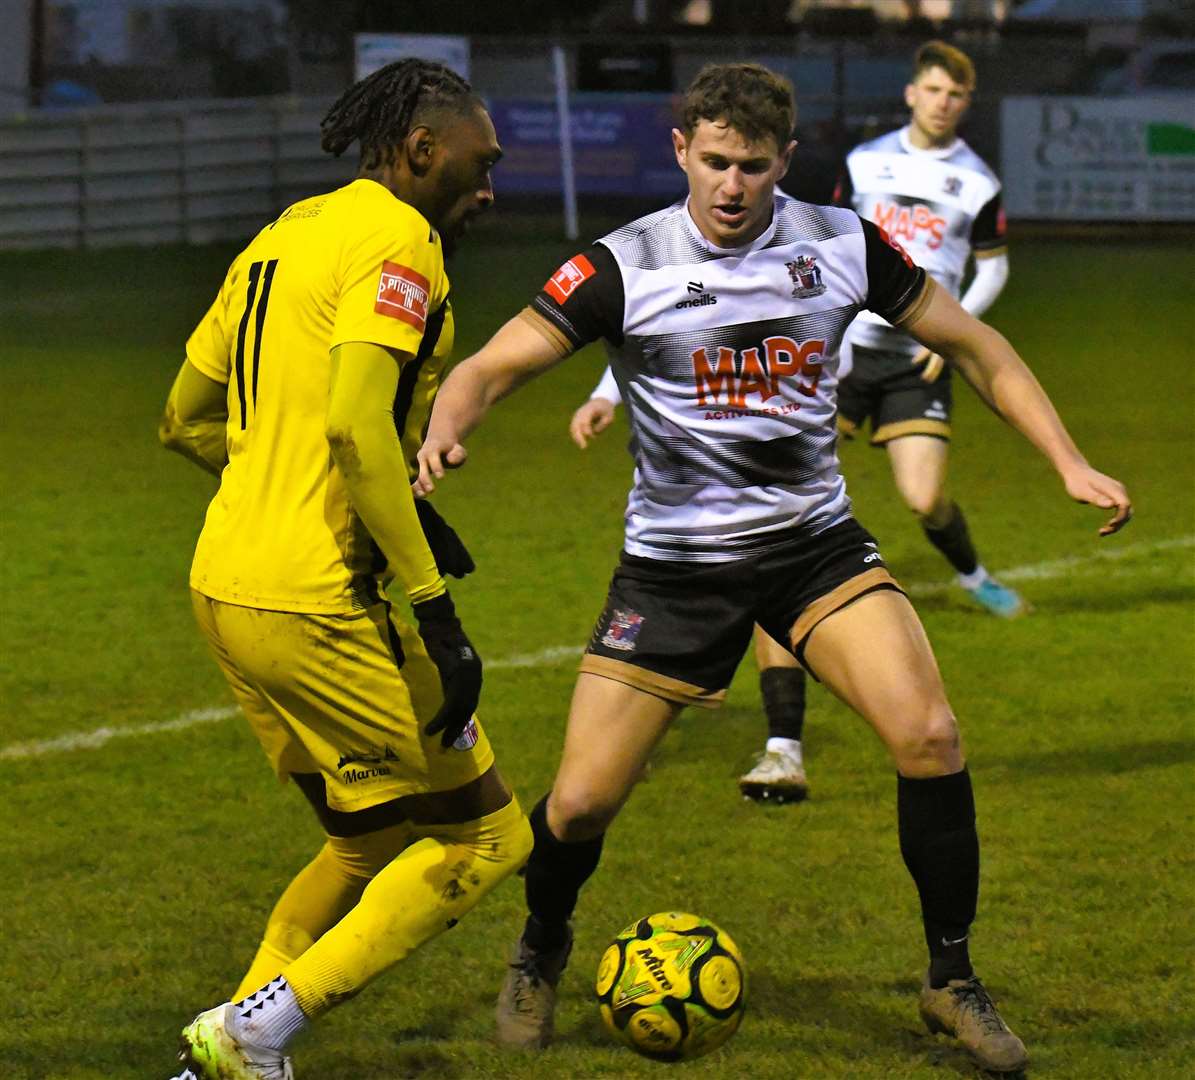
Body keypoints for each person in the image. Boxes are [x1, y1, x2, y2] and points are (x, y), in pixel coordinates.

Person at [417, 62, 1130, 1074]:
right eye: (714, 161)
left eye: (753, 165)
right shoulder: (624, 263)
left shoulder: (840, 243)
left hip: (812, 551)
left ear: (784, 162)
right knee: (576, 807)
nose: (732, 185)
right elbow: (491, 365)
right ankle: (540, 948)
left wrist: (1067, 462)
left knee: (929, 735)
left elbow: (977, 345)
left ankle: (950, 979)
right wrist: (448, 426)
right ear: (681, 152)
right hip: (673, 572)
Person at [158, 59, 531, 1080]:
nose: (488, 185)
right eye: (479, 162)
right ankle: (259, 1033)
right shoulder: (399, 240)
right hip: (316, 603)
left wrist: (283, 489)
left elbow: (183, 417)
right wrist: (435, 609)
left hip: (224, 584)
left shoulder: (283, 235)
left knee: (365, 847)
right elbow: (360, 428)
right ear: (422, 151)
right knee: (487, 841)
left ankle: (217, 1054)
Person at [834, 40, 1024, 617]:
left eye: (956, 95)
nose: (943, 103)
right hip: (843, 351)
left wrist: (952, 333)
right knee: (786, 470)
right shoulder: (864, 162)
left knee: (925, 497)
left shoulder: (977, 181)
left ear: (967, 103)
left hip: (917, 359)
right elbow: (830, 243)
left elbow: (994, 267)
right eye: (934, 90)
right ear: (912, 93)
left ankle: (975, 577)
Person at [571, 370, 810, 804]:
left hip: (765, 476)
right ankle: (619, 746)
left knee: (773, 596)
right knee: (660, 612)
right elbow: (641, 328)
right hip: (681, 500)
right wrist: (605, 395)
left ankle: (784, 749)